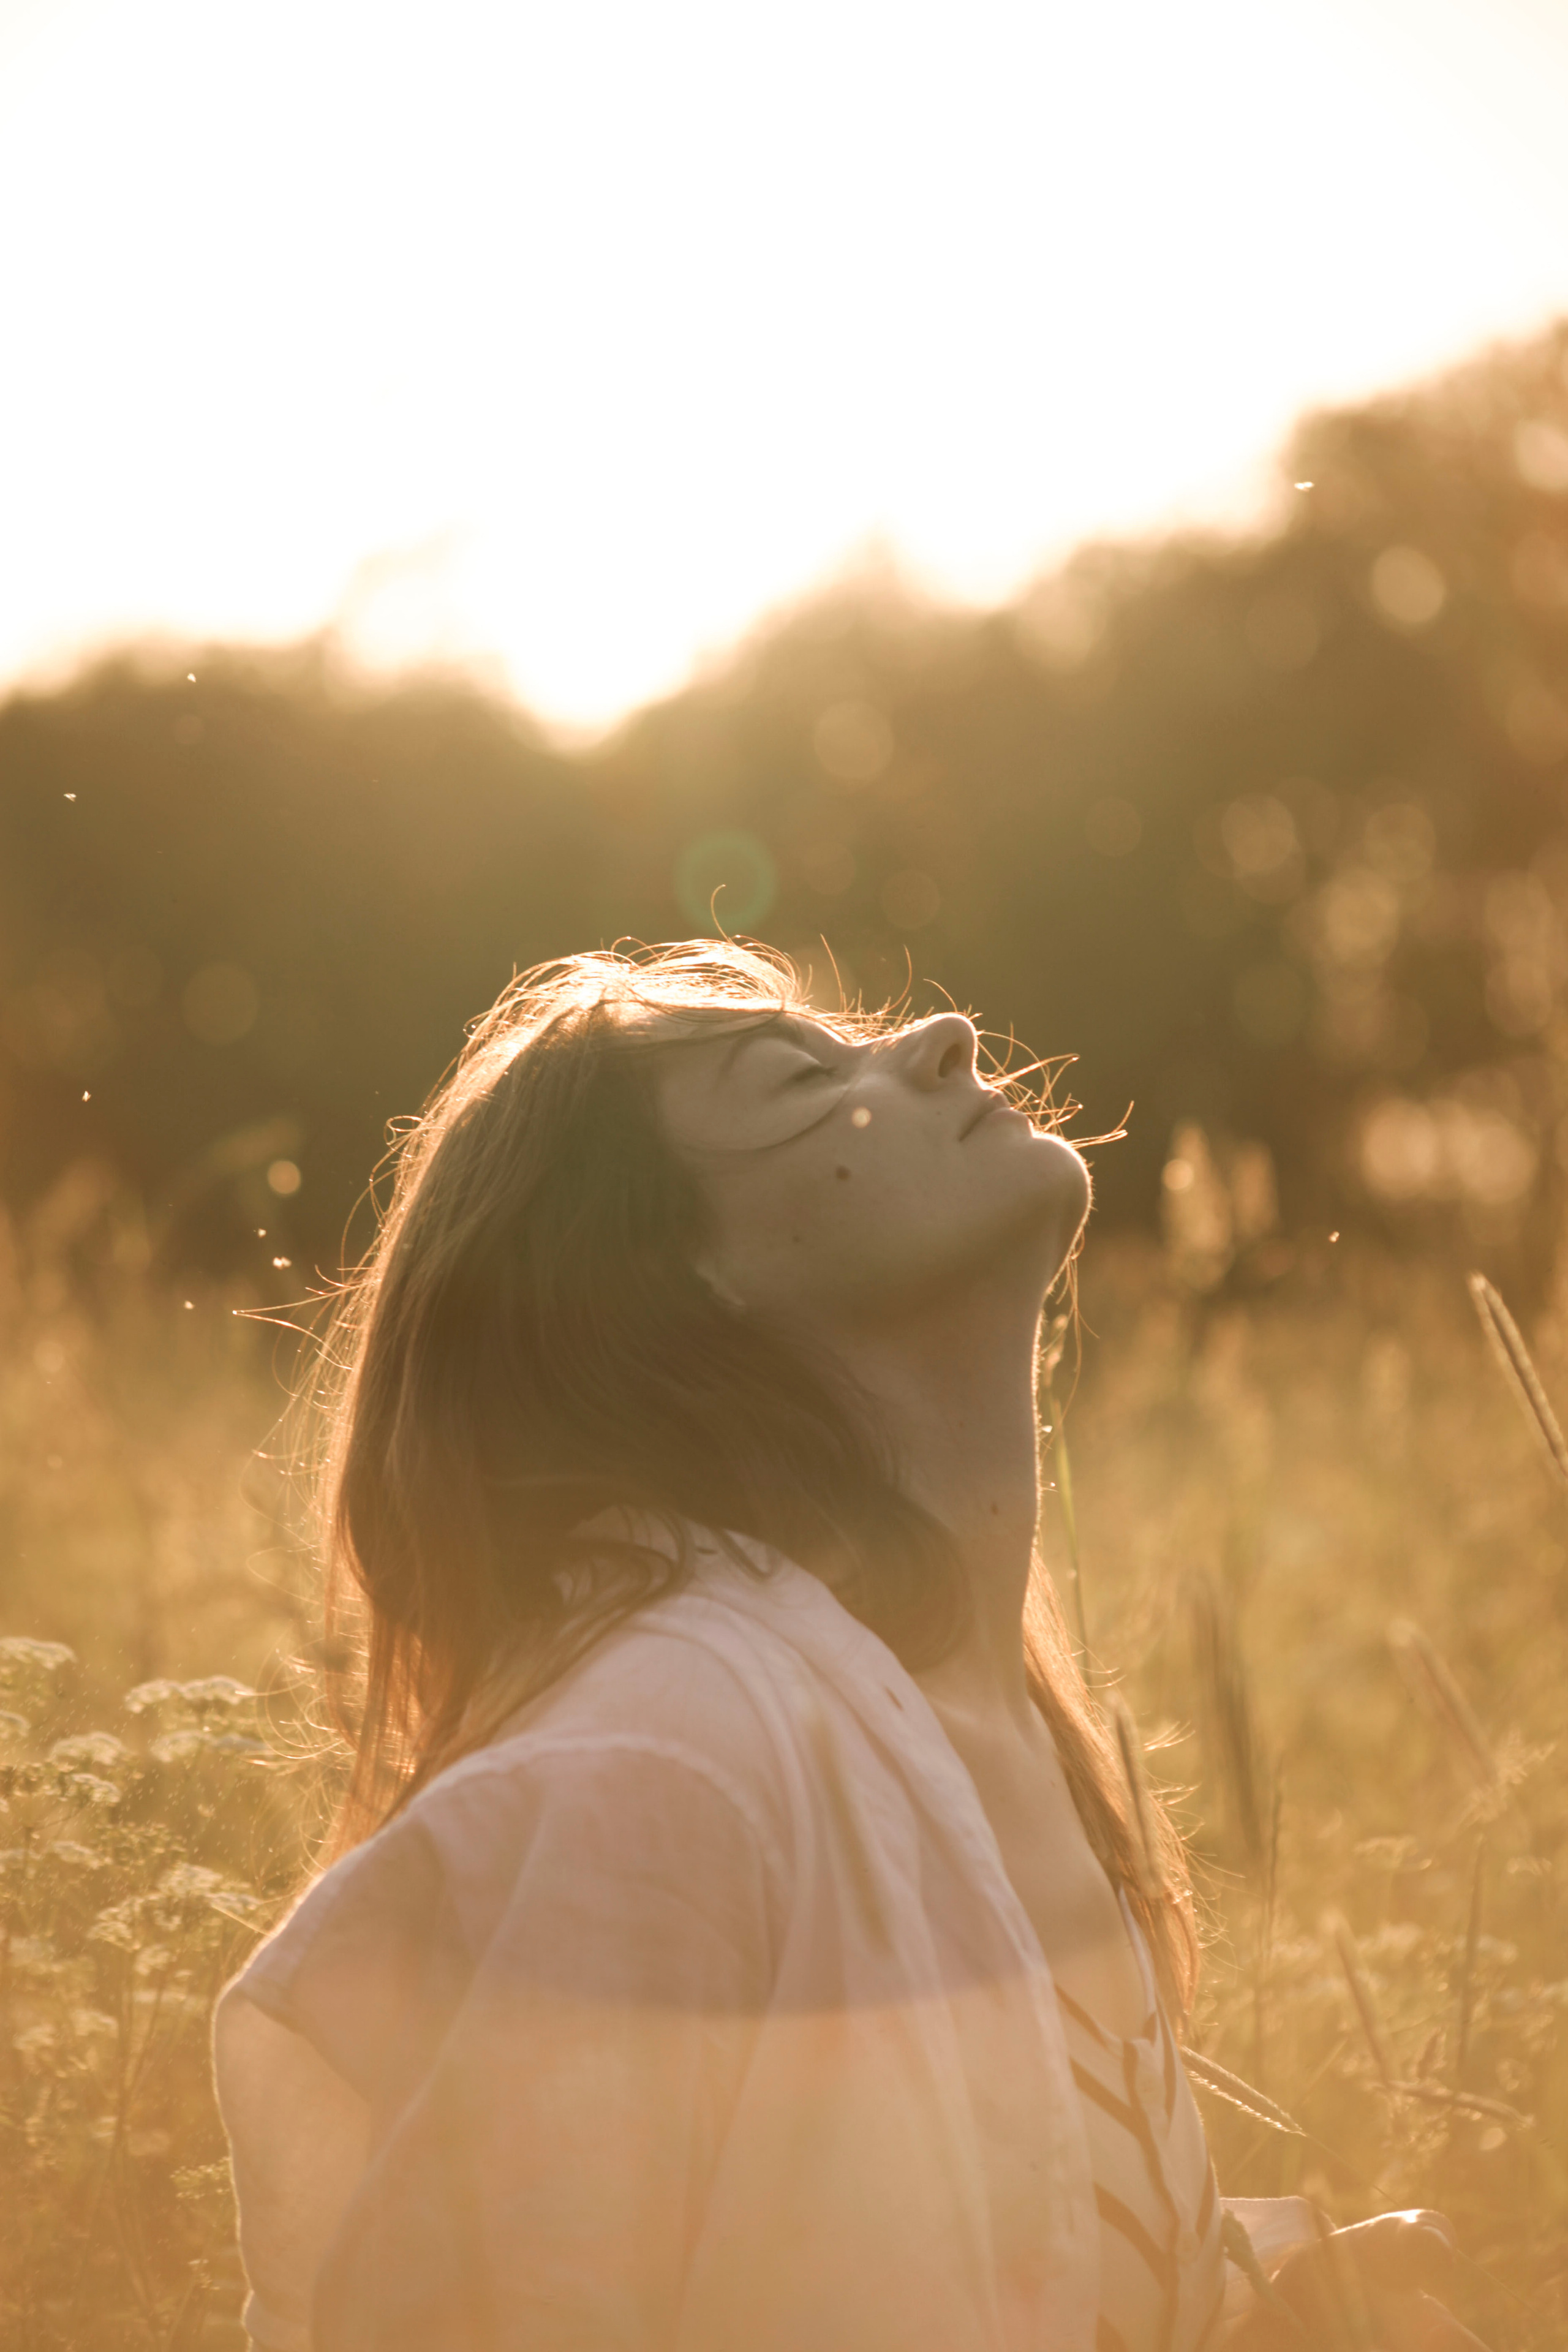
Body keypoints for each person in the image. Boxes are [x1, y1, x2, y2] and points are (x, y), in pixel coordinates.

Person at [214, 941, 1482, 2352]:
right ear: (671, 1290)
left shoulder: (991, 1732)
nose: (945, 1034)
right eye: (799, 1086)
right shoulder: (652, 1769)